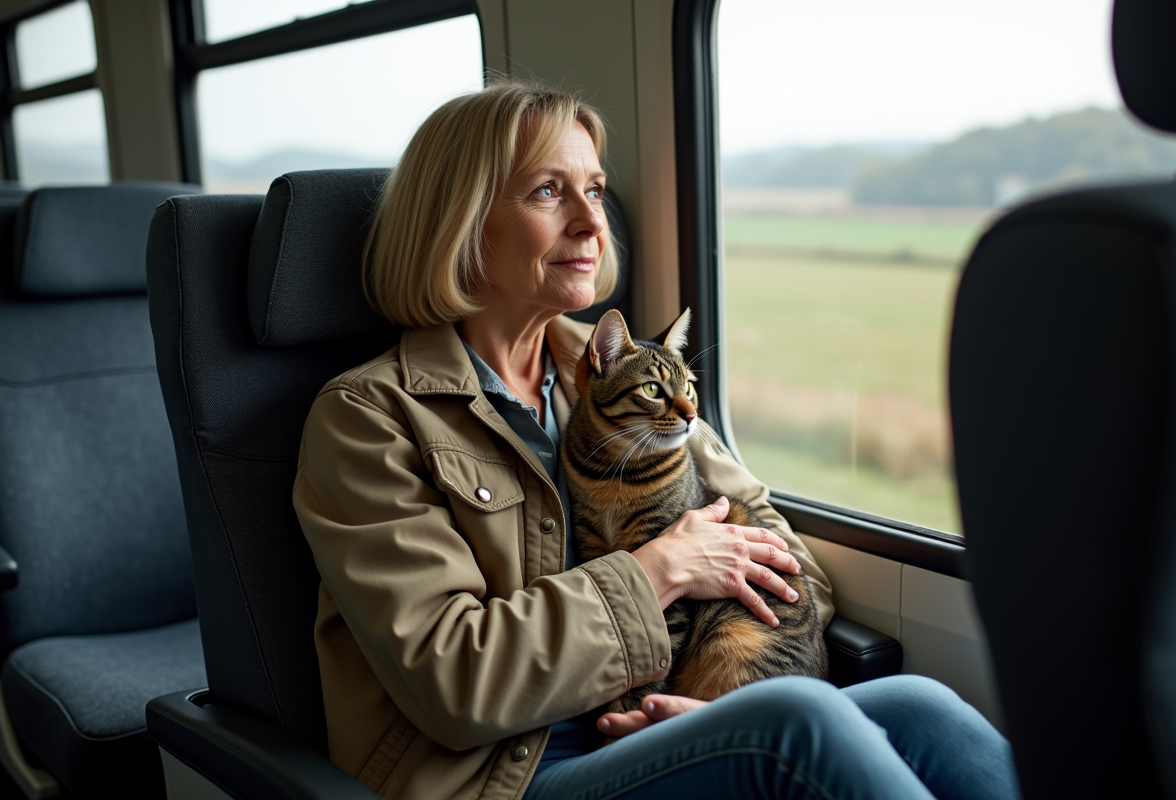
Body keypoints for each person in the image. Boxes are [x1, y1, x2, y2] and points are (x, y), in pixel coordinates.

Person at [293, 78, 1020, 800]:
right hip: (506, 771)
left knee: (921, 707)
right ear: (462, 218)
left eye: (596, 190)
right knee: (798, 724)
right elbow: (453, 680)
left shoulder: (621, 373)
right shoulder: (369, 417)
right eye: (549, 191)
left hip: (663, 706)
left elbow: (776, 546)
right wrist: (660, 569)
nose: (593, 222)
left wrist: (721, 698)